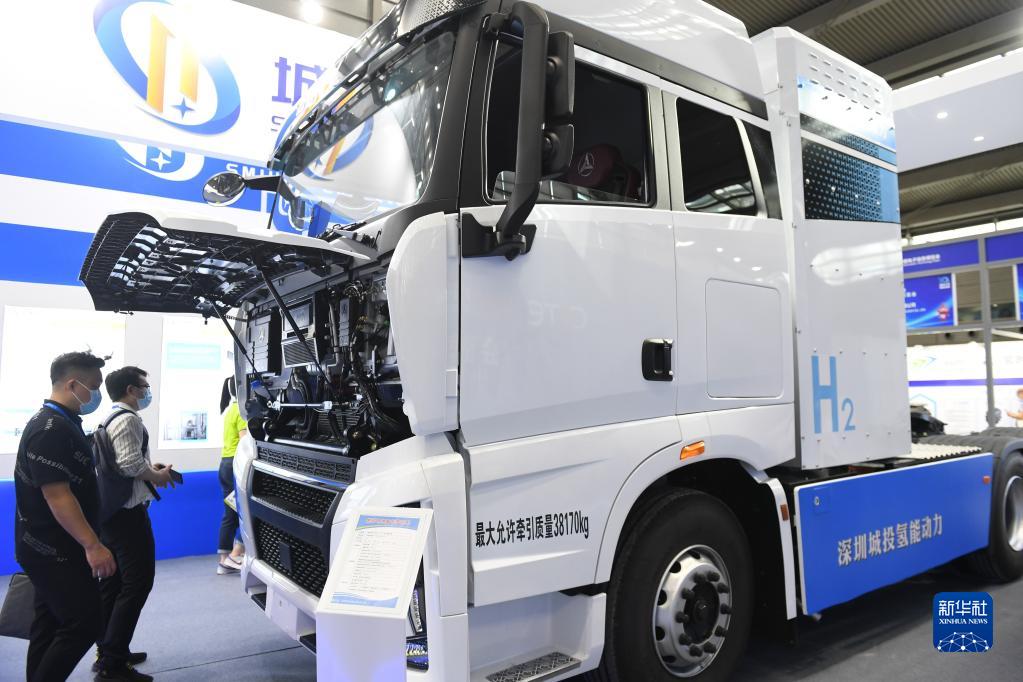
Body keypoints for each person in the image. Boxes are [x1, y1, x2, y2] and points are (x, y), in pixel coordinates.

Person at [14, 351, 116, 682]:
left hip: (53, 545)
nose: (97, 394)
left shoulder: (62, 422)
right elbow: (57, 496)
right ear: (73, 384)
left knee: (48, 624)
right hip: (55, 549)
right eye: (94, 387)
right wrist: (92, 545)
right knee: (84, 623)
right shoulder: (50, 429)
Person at [93, 367, 176, 682]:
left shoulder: (109, 418)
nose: (147, 391)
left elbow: (123, 463)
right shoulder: (128, 419)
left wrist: (149, 469)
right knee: (137, 583)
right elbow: (129, 465)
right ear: (131, 389)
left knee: (113, 585)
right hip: (128, 517)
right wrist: (157, 475)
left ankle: (108, 650)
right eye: (144, 386)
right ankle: (113, 663)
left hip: (111, 515)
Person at [217, 377, 248, 574]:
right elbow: (245, 443)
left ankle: (227, 557)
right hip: (235, 466)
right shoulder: (241, 411)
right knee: (241, 512)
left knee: (231, 512)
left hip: (225, 464)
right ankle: (232, 556)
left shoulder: (230, 409)